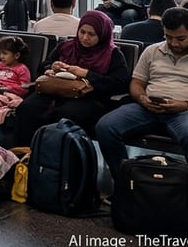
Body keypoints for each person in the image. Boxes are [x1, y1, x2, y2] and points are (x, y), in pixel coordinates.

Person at [96, 7, 188, 226]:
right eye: (168, 37)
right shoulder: (153, 51)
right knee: (106, 126)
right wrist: (142, 99)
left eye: (180, 38)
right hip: (149, 107)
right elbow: (137, 83)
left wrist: (186, 104)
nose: (174, 43)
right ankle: (125, 186)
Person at [13, 10, 129, 146]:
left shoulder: (112, 54)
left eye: (92, 34)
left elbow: (120, 84)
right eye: (82, 32)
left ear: (102, 34)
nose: (85, 38)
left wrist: (86, 74)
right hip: (55, 91)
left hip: (89, 98)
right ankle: (25, 156)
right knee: (26, 108)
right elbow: (43, 66)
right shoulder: (67, 46)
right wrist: (52, 67)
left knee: (66, 115)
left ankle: (61, 162)